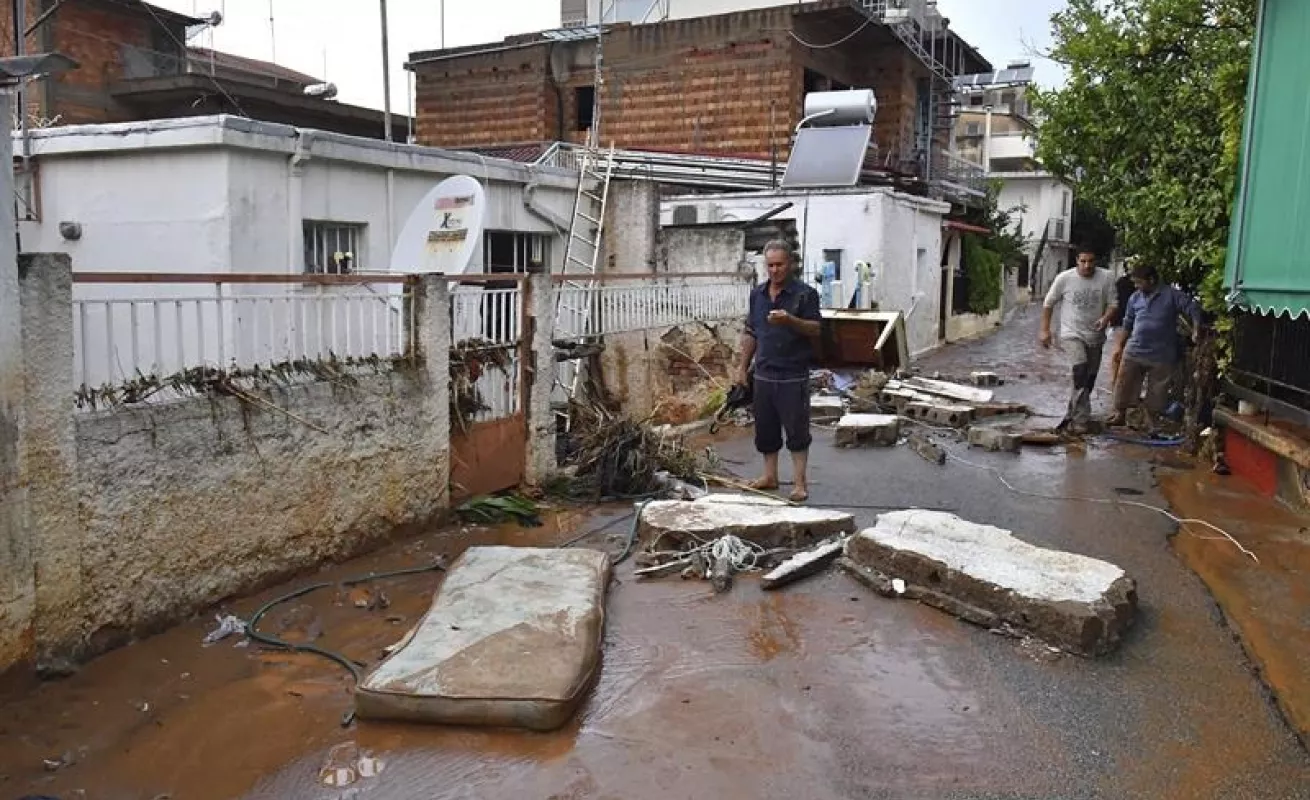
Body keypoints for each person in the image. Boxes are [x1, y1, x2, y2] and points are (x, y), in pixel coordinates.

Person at [735, 241, 822, 502]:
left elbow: (816, 329)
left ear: (790, 264)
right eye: (770, 265)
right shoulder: (758, 294)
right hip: (763, 372)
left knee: (796, 430)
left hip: (793, 373)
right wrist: (741, 367)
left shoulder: (805, 294)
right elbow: (752, 331)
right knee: (766, 429)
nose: (774, 270)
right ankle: (769, 476)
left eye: (779, 264)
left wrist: (790, 320)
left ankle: (799, 483)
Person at [1108, 263, 1203, 430]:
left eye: (1139, 282)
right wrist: (1119, 346)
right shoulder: (1135, 298)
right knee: (1124, 383)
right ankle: (1120, 414)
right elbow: (1127, 322)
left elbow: (1193, 308)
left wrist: (1196, 329)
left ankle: (1152, 420)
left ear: (1151, 280)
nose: (1136, 286)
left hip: (1162, 352)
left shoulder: (1172, 295)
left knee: (1158, 390)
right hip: (1135, 349)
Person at [1039, 248, 1118, 432]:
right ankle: (1082, 420)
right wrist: (1044, 330)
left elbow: (1114, 304)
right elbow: (1048, 304)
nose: (1087, 265)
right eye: (1083, 261)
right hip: (1070, 333)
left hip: (1096, 335)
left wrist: (1105, 319)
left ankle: (1071, 414)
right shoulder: (1064, 278)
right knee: (1080, 369)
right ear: (1077, 260)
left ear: (1096, 261)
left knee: (1088, 380)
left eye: (1091, 261)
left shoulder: (1106, 277)